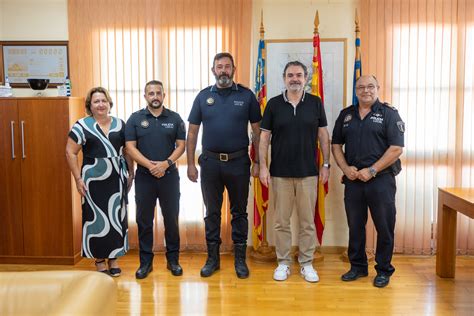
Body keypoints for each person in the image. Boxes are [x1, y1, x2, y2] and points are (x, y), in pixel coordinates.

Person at [187, 52, 261, 279]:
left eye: (227, 67)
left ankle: (240, 260)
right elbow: (192, 133)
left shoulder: (247, 96)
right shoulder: (202, 97)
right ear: (213, 71)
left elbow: (257, 132)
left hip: (239, 163)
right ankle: (213, 259)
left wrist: (258, 161)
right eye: (219, 67)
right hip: (210, 164)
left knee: (239, 212)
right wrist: (190, 164)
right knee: (212, 213)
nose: (223, 71)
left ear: (234, 69)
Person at [259, 61, 330, 283]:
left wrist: (326, 164)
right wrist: (262, 166)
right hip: (279, 173)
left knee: (307, 221)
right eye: (290, 75)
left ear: (306, 77)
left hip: (309, 173)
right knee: (281, 221)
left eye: (299, 75)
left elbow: (323, 136)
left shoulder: (315, 103)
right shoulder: (273, 104)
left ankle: (306, 263)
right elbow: (263, 138)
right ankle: (283, 262)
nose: (295, 79)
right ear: (284, 78)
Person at [332, 75, 405, 288]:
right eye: (361, 87)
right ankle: (357, 267)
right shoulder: (346, 115)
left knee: (384, 226)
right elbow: (336, 145)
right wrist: (346, 169)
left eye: (370, 86)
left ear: (378, 88)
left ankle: (383, 270)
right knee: (355, 226)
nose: (366, 90)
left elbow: (396, 148)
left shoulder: (389, 114)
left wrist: (372, 170)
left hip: (381, 181)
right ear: (356, 90)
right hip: (353, 180)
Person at [66, 87, 133, 277]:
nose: (101, 104)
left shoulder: (120, 124)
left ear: (109, 103)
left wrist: (131, 172)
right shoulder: (81, 126)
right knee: (96, 218)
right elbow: (70, 152)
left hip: (116, 176)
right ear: (90, 105)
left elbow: (127, 150)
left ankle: (114, 258)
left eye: (104, 100)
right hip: (92, 179)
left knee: (115, 217)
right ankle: (99, 260)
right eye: (96, 101)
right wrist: (78, 179)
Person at [125, 80, 186, 279]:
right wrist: (151, 166)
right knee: (144, 221)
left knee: (171, 219)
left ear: (163, 95)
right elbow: (130, 148)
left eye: (158, 93)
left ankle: (173, 261)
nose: (155, 96)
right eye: (151, 93)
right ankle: (145, 263)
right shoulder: (135, 118)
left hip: (169, 176)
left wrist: (165, 164)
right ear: (145, 96)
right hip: (144, 177)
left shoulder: (175, 118)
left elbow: (181, 146)